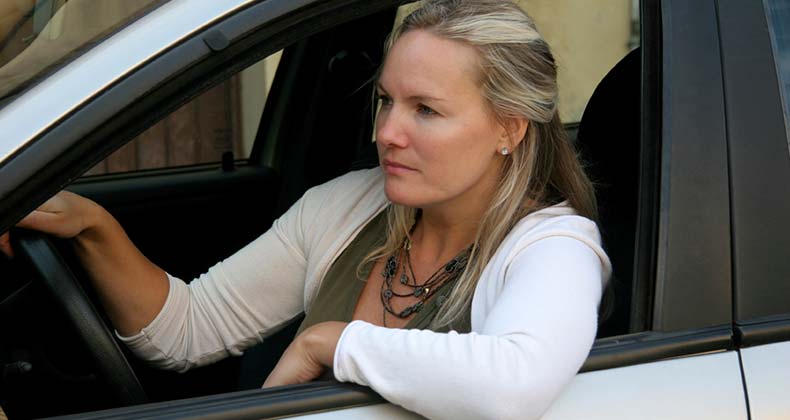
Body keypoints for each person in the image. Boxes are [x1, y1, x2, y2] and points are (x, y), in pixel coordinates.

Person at [0, 1, 611, 419]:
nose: (388, 132)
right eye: (386, 101)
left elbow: (512, 385)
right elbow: (189, 330)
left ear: (509, 127)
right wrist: (90, 226)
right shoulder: (348, 205)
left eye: (425, 110)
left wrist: (328, 342)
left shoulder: (552, 246)